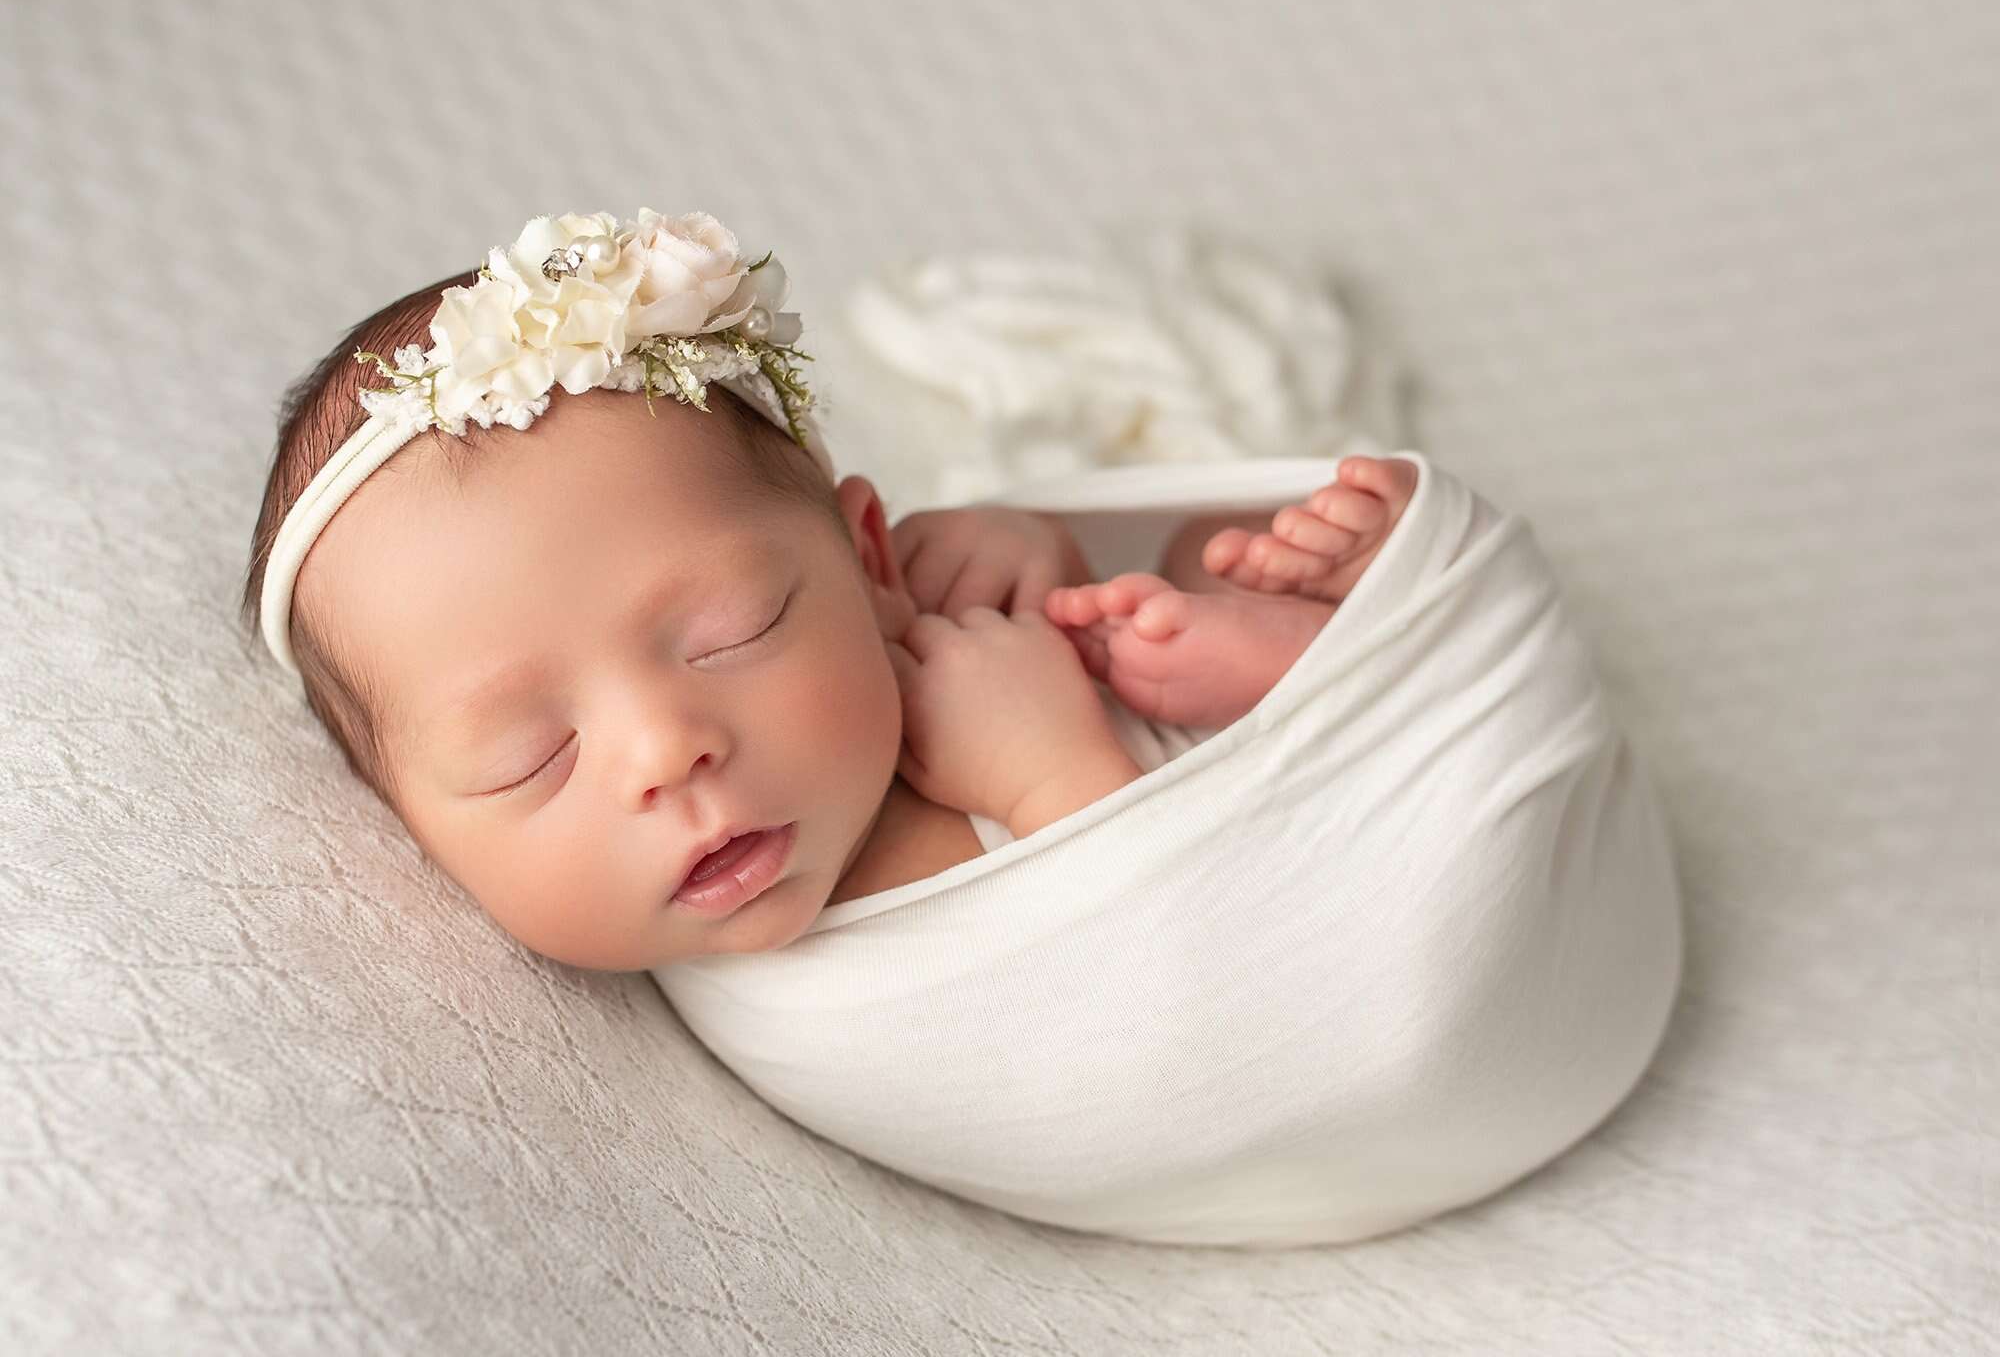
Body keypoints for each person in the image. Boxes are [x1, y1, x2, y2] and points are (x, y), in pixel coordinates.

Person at [242, 207, 1413, 971]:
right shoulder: (829, 991)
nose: (663, 750)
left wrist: (1040, 550)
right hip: (1331, 924)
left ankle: (1337, 608)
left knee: (1191, 573)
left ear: (866, 559)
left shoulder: (912, 645)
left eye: (731, 630)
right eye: (528, 753)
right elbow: (1186, 1002)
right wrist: (1056, 778)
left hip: (1375, 789)